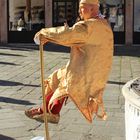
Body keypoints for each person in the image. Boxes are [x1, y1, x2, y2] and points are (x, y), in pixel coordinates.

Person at [25, 0, 114, 124]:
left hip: (85, 72)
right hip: (95, 70)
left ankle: (52, 113)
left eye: (82, 8)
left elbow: (68, 35)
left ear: (92, 9)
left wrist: (44, 34)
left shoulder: (89, 27)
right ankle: (45, 110)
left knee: (66, 84)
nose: (79, 11)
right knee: (56, 77)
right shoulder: (103, 24)